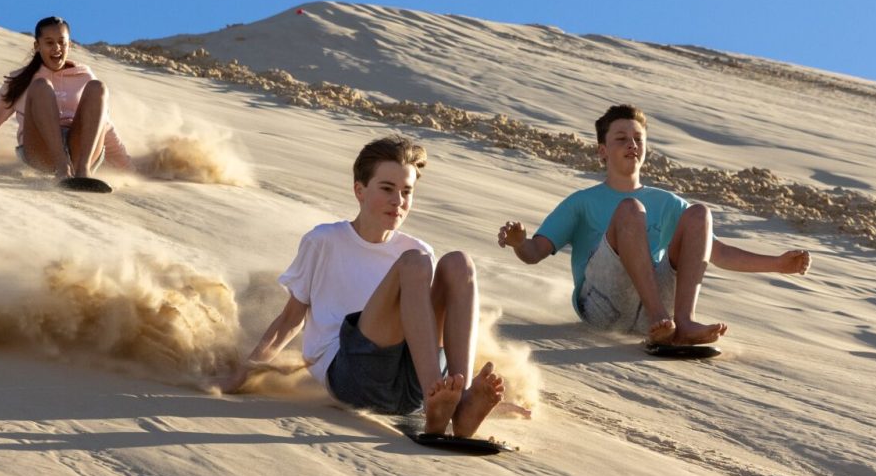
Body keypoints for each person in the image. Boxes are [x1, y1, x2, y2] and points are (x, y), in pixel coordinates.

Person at [224, 136, 505, 440]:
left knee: (458, 263)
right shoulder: (324, 241)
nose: (398, 201)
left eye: (406, 192)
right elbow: (290, 320)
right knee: (415, 264)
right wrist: (243, 374)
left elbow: (430, 329)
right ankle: (434, 403)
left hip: (409, 385)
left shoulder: (419, 249)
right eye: (387, 189)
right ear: (359, 190)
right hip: (351, 375)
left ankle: (458, 403)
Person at [497, 104, 813, 346]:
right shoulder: (582, 202)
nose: (632, 144)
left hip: (658, 311)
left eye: (638, 139)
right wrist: (519, 242)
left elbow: (713, 252)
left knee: (699, 214)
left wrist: (777, 264)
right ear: (603, 151)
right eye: (621, 138)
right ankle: (662, 318)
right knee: (631, 210)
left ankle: (684, 322)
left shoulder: (667, 202)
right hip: (603, 307)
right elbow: (535, 252)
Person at [0, 16, 131, 182]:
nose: (56, 48)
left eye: (61, 42)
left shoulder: (84, 75)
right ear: (37, 46)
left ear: (69, 45)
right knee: (41, 87)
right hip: (42, 151)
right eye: (49, 42)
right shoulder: (22, 79)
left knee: (98, 87)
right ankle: (62, 168)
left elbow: (103, 125)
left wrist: (128, 168)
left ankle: (83, 172)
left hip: (81, 149)